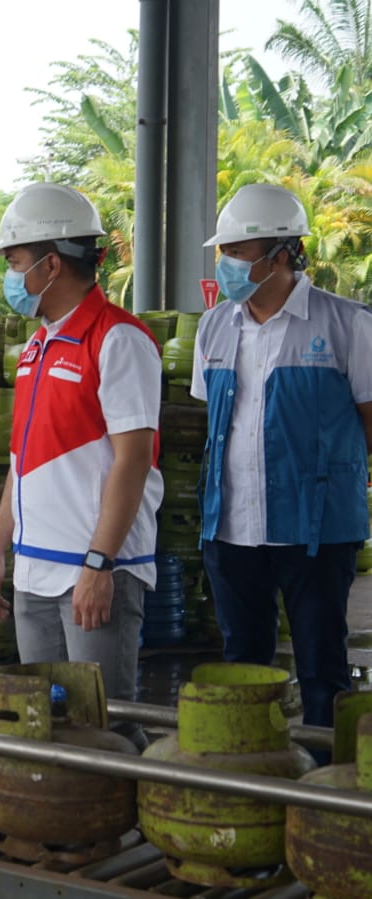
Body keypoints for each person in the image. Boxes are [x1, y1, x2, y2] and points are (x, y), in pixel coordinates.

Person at [0, 183, 162, 737]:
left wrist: (100, 565)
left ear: (51, 265)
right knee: (46, 725)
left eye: (14, 263)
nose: (10, 277)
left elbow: (133, 461)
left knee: (101, 722)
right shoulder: (37, 346)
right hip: (35, 571)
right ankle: (62, 824)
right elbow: (21, 461)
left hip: (92, 572)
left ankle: (121, 823)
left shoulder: (119, 340)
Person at [193, 182, 372, 731]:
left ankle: (324, 787)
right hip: (231, 528)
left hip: (316, 530)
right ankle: (256, 779)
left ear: (281, 256)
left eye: (238, 253)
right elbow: (217, 425)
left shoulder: (346, 324)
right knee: (242, 662)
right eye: (223, 253)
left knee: (323, 668)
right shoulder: (215, 325)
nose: (226, 265)